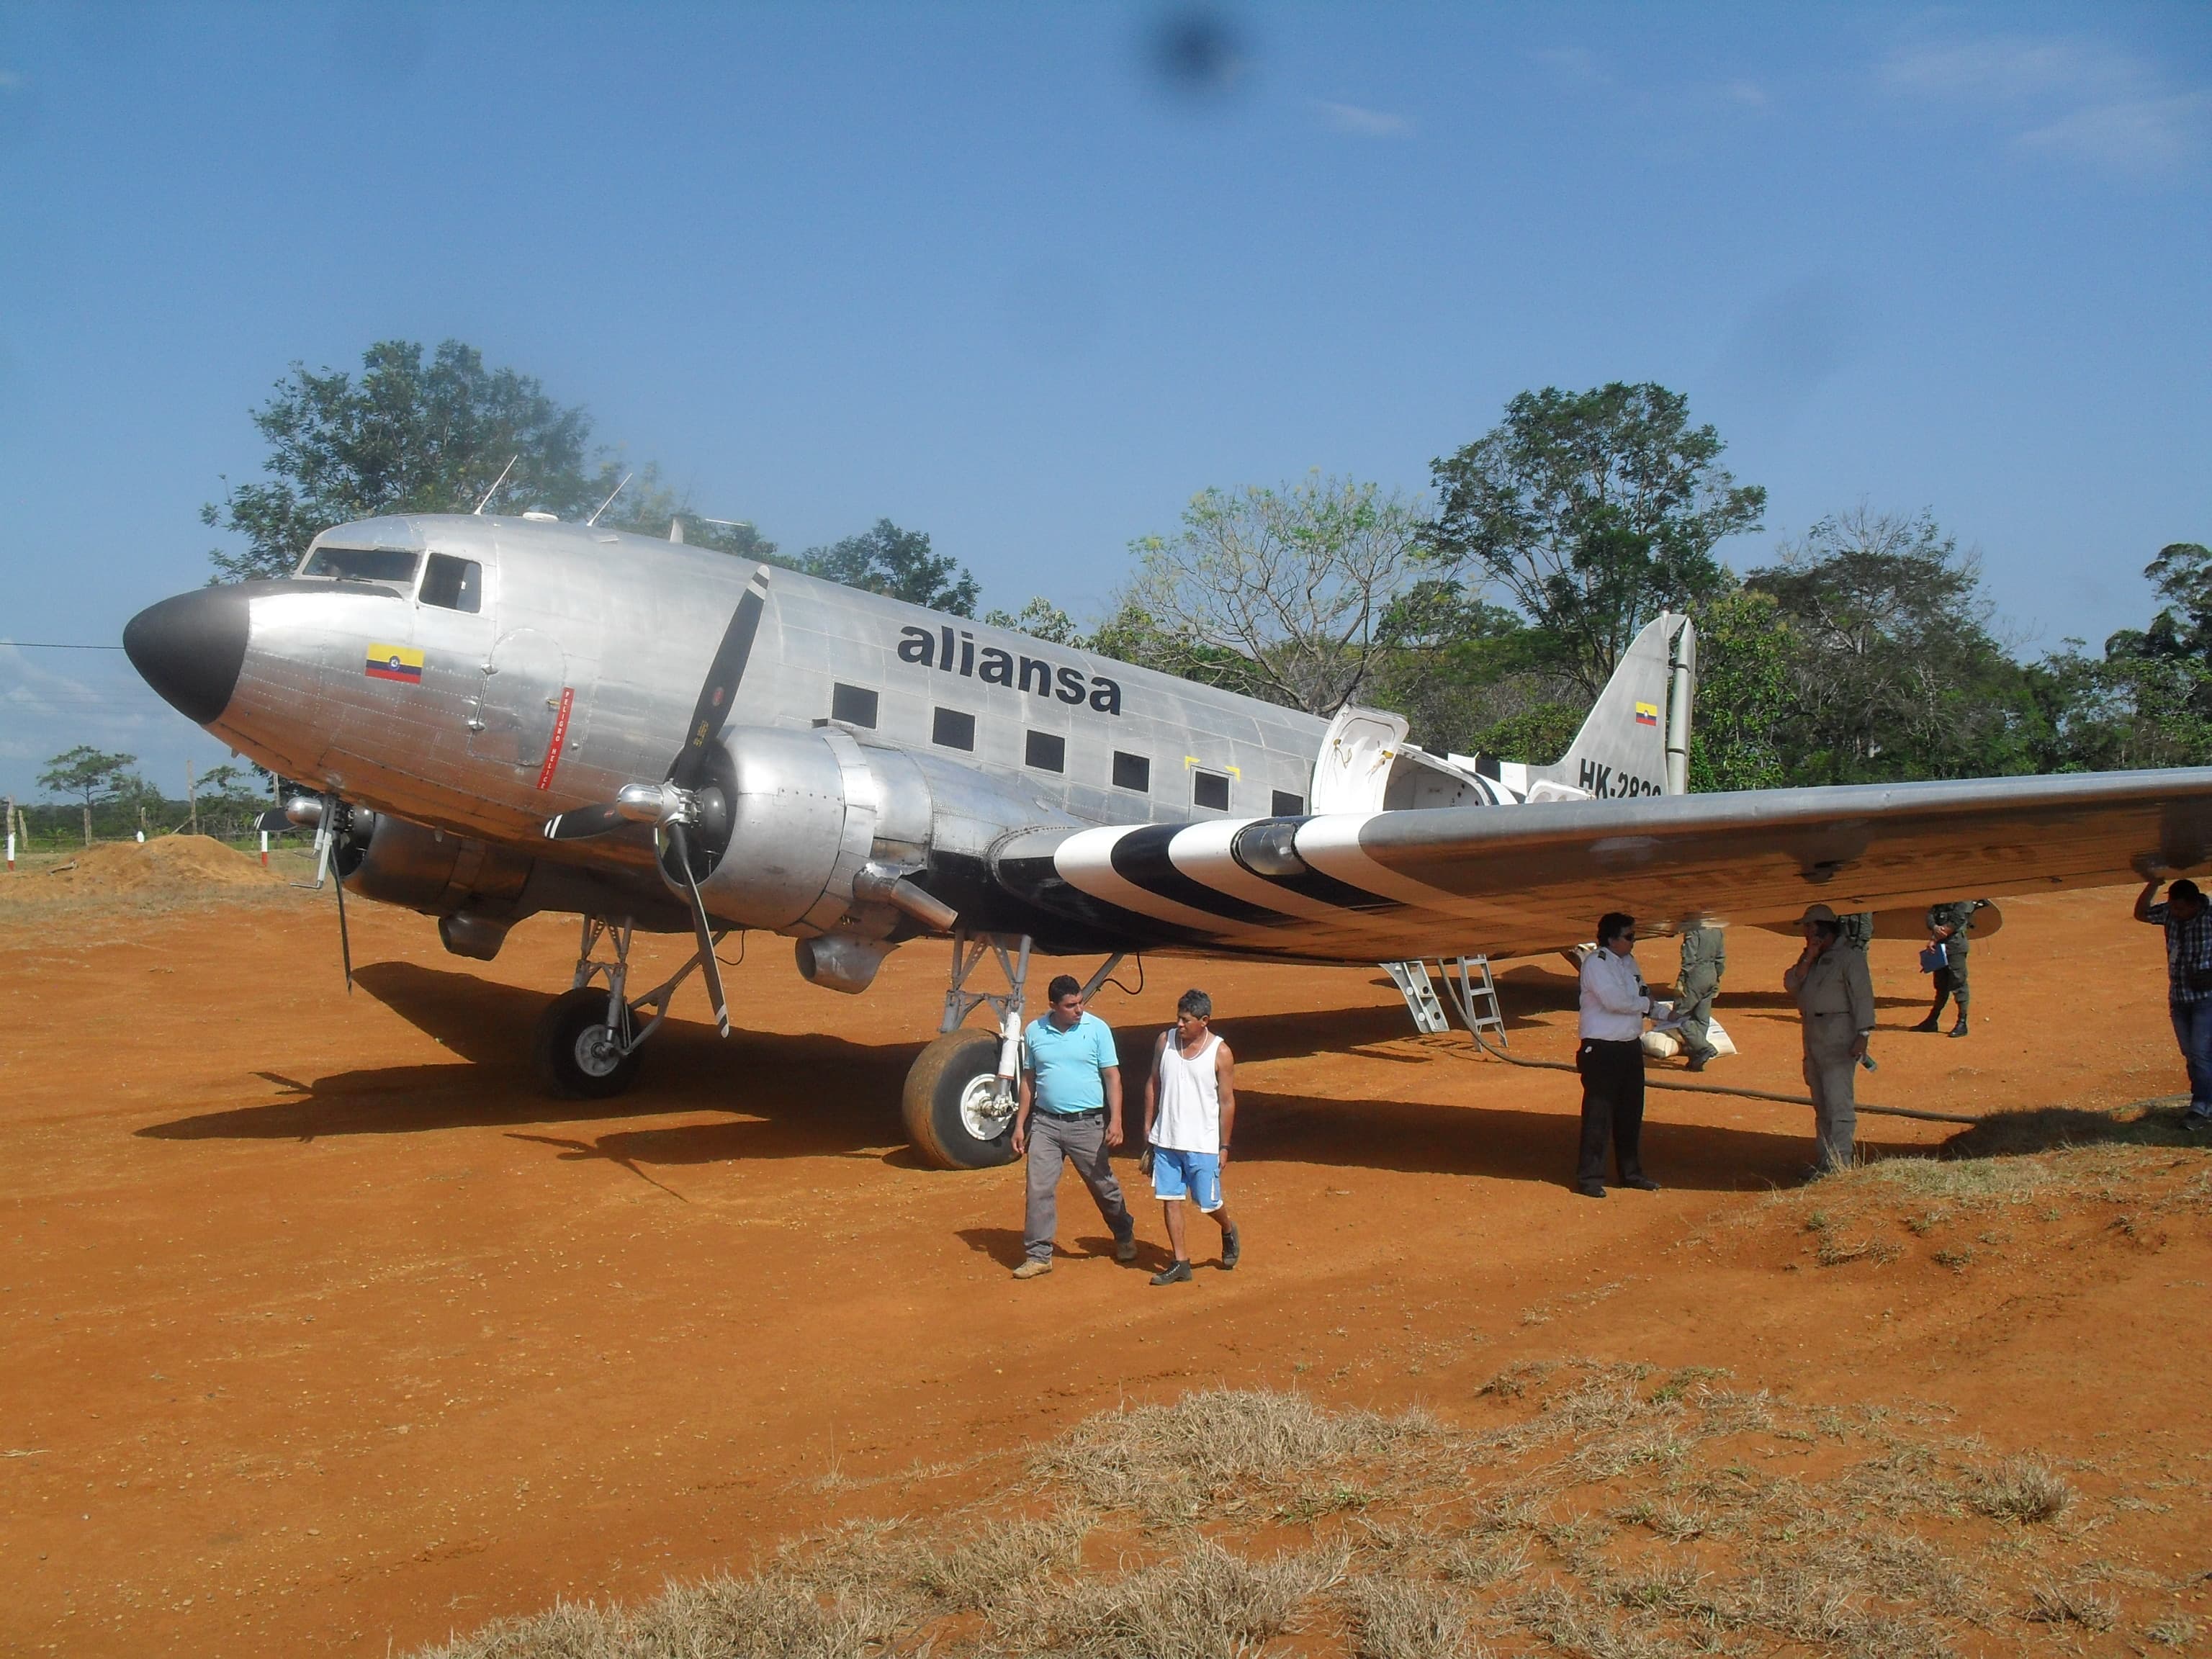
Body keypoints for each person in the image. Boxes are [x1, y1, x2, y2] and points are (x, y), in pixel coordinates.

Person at [1010, 975, 1138, 1279]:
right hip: (1045, 1124)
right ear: (1053, 1006)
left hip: (1087, 1125)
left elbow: (1112, 1077)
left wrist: (1116, 1119)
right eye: (1071, 1005)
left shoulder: (1098, 1030)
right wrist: (1019, 1124)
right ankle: (1039, 1255)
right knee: (1038, 1188)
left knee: (1103, 1186)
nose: (1078, 1010)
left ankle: (1123, 1233)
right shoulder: (1034, 1032)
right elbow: (1029, 1081)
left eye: (1081, 1003)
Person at [1141, 989, 1240, 1285]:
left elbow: (1227, 1102)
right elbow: (1153, 1083)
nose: (1179, 1025)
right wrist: (1149, 1128)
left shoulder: (1220, 1053)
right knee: (1170, 1199)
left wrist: (1224, 1146)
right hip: (1167, 1140)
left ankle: (1227, 1228)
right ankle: (1180, 1262)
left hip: (1203, 1142)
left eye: (1186, 1020)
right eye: (1178, 1019)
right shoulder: (1165, 1041)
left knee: (1207, 1202)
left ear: (1204, 1021)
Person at [1784, 902, 1876, 1179]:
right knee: (1821, 1103)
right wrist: (1809, 957)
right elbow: (1790, 984)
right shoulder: (1810, 958)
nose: (1806, 934)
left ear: (1823, 929)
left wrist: (1864, 1034)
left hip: (1839, 1034)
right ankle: (1826, 1163)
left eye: (1810, 928)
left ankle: (1841, 1165)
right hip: (1813, 1034)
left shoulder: (1850, 957)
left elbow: (1863, 996)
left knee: (1838, 1103)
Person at [1574, 912, 1659, 1198]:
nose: (1633, 942)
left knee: (1630, 1113)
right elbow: (1616, 1002)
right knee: (1599, 1114)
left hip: (1629, 1046)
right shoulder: (1596, 964)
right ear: (1611, 939)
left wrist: (1664, 1012)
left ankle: (1631, 1173)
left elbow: (1642, 994)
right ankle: (1590, 1177)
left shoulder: (1628, 963)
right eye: (1629, 937)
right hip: (1602, 1048)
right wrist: (1646, 1005)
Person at [2133, 876, 2212, 1130]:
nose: (2175, 913)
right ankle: (2203, 1099)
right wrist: (2154, 884)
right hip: (2179, 998)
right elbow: (2142, 913)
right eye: (2173, 907)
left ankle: (2201, 1106)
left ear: (2195, 904)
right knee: (2191, 1054)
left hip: (2206, 999)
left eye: (2179, 908)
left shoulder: (2210, 918)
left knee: (2200, 1053)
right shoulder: (2170, 913)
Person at [1913, 899, 1980, 1038]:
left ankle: (1962, 1022)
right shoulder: (1943, 899)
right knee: (1941, 985)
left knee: (1958, 983)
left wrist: (1935, 937)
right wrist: (1935, 928)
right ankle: (1932, 1020)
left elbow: (1956, 922)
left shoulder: (1964, 901)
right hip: (1940, 947)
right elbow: (1930, 916)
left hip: (1955, 947)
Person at [1673, 922, 1725, 1072]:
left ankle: (1704, 1048)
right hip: (1711, 974)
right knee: (1702, 1018)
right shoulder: (1717, 930)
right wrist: (1716, 979)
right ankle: (1696, 1058)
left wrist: (1682, 979)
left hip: (1696, 975)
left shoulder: (1694, 931)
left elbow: (1689, 958)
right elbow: (1720, 959)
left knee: (1679, 1016)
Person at [1838, 911, 1881, 1072]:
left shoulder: (1863, 909)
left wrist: (1856, 953)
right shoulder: (1841, 906)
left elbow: (1865, 931)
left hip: (1856, 952)